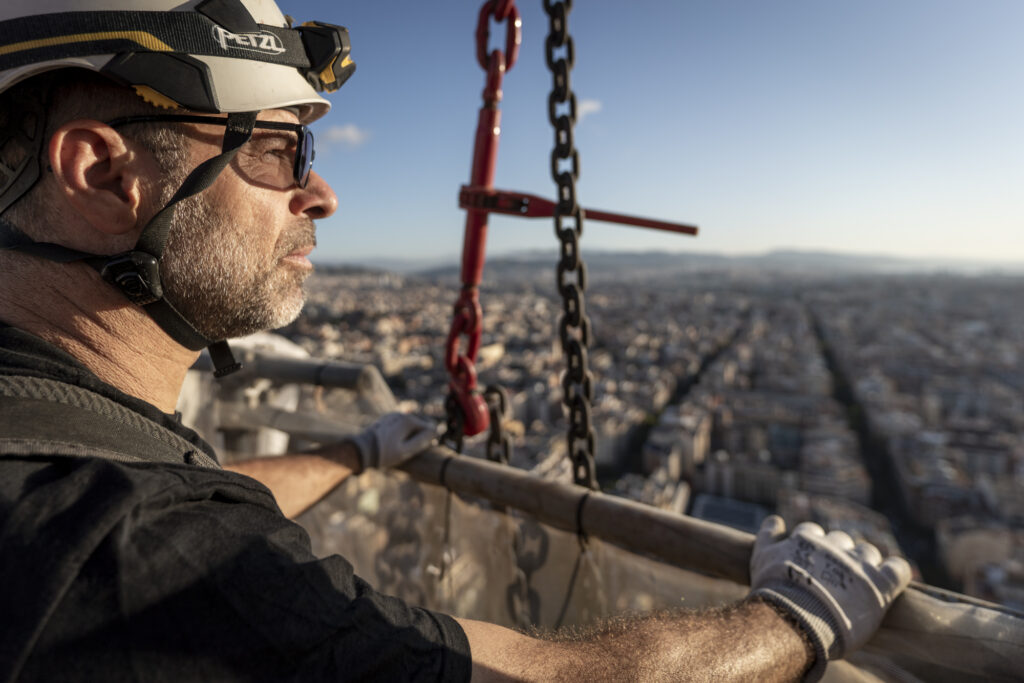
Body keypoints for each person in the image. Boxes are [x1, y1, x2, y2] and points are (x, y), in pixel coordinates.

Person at [0, 1, 911, 680]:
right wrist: (796, 616)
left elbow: (195, 499)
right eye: (276, 150)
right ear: (101, 172)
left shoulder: (64, 455)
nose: (319, 196)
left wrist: (354, 452)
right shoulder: (149, 554)